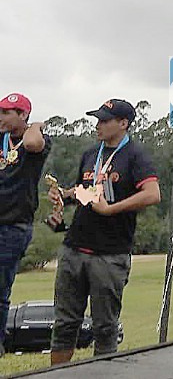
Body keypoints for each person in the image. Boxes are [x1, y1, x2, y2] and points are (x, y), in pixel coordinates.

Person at [48, 99, 160, 364]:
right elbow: (85, 191)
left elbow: (153, 194)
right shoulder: (90, 154)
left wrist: (111, 209)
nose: (97, 125)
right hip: (74, 249)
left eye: (104, 120)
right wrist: (64, 195)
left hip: (109, 255)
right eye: (97, 120)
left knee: (105, 328)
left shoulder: (135, 156)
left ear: (123, 124)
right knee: (64, 324)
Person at [0, 93, 51, 357]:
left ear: (23, 115)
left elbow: (32, 143)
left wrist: (36, 125)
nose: (1, 117)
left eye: (7, 112)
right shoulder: (1, 139)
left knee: (0, 287)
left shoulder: (36, 141)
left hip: (12, 226)